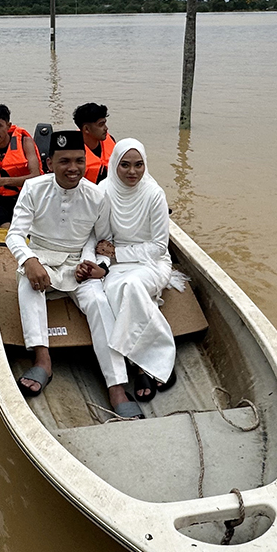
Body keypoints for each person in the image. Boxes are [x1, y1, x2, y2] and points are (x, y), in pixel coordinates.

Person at [5, 130, 141, 419]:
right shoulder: (33, 188)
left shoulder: (97, 196)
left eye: (79, 161)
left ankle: (116, 385)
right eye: (64, 161)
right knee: (28, 286)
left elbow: (103, 241)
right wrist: (29, 260)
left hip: (78, 263)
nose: (73, 168)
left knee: (99, 303)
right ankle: (43, 360)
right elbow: (15, 234)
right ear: (49, 162)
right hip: (40, 256)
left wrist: (97, 266)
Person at [95, 139, 176, 404]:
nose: (133, 172)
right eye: (125, 165)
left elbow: (159, 247)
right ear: (114, 165)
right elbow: (103, 239)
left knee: (131, 287)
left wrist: (119, 253)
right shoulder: (104, 191)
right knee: (122, 288)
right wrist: (109, 259)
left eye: (139, 165)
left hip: (152, 264)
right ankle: (150, 361)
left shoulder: (154, 194)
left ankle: (142, 364)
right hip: (117, 266)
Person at [73, 102, 116, 183]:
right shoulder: (71, 151)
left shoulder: (110, 140)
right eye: (101, 125)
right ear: (86, 129)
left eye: (105, 123)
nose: (106, 128)